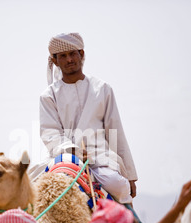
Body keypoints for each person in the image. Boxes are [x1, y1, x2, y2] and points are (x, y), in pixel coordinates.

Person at [34, 32, 138, 208]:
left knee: (118, 185)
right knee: (31, 190)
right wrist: (71, 151)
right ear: (55, 60)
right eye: (63, 56)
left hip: (99, 156)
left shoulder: (102, 89)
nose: (69, 60)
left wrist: (130, 175)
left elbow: (116, 130)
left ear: (81, 54)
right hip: (63, 157)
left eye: (73, 54)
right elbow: (50, 132)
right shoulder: (48, 96)